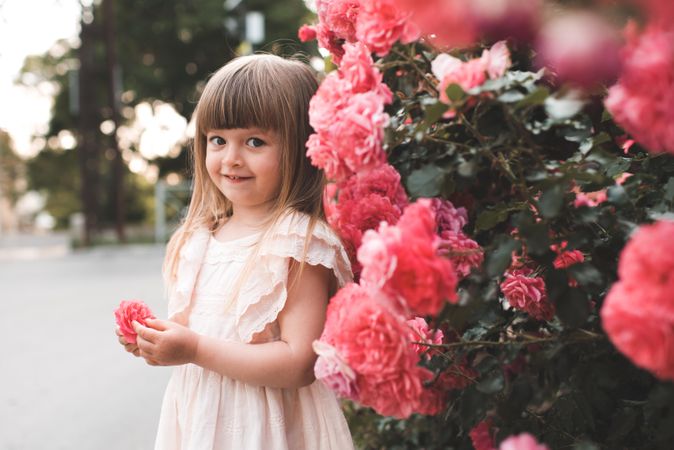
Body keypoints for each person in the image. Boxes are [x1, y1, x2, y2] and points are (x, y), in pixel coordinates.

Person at [115, 54, 354, 450]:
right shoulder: (199, 239)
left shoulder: (298, 242)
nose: (231, 158)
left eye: (255, 141)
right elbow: (203, 334)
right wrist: (157, 341)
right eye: (218, 140)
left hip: (268, 428)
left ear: (298, 147)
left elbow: (299, 363)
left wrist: (193, 348)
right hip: (200, 423)